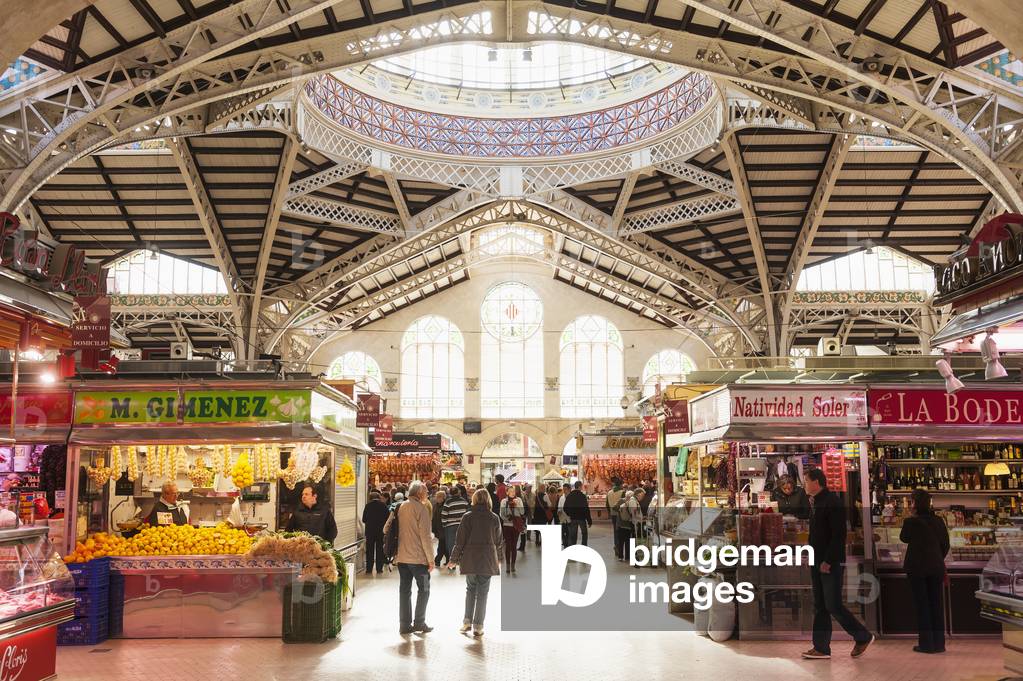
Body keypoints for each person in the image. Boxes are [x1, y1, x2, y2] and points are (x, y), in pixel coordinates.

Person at [802, 467, 873, 660]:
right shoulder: (816, 502)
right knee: (821, 605)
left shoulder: (832, 502)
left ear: (817, 482)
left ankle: (862, 636)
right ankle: (821, 648)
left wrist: (828, 560)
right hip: (817, 561)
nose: (804, 484)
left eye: (806, 480)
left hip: (829, 563)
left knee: (832, 604)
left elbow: (838, 536)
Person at [447, 489, 504, 637]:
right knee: (483, 593)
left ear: (474, 499)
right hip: (487, 559)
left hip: (470, 559)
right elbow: (498, 541)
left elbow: (460, 541)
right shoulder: (494, 518)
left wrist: (453, 559)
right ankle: (478, 626)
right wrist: (499, 559)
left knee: (470, 590)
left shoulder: (467, 517)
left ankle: (467, 622)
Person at [901, 489, 950, 654]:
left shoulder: (910, 522)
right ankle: (939, 643)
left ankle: (926, 644)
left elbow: (903, 538)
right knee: (936, 604)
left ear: (914, 504)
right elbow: (945, 544)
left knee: (922, 606)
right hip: (936, 567)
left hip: (916, 568)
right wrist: (937, 557)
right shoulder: (938, 521)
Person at [384, 480, 435, 635]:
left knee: (404, 591)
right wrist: (431, 559)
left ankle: (404, 625)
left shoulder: (399, 506)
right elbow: (425, 537)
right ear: (419, 493)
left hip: (402, 558)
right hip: (419, 559)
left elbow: (386, 528)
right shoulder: (422, 509)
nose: (427, 494)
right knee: (424, 589)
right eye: (426, 491)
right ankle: (419, 622)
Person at [362, 490, 390, 574]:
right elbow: (387, 519)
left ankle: (369, 569)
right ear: (379, 497)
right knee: (380, 549)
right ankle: (379, 568)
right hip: (380, 531)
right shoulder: (383, 505)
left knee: (369, 550)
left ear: (370, 498)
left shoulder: (367, 506)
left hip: (370, 531)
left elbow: (364, 519)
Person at [499, 485, 526, 573]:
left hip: (516, 526)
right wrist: (507, 518)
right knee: (508, 546)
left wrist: (517, 504)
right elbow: (501, 514)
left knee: (514, 545)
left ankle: (513, 565)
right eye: (510, 491)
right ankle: (507, 565)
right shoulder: (504, 501)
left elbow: (522, 512)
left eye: (513, 491)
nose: (512, 493)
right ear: (507, 492)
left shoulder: (519, 500)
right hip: (507, 525)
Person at [441, 485, 470, 566]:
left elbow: (444, 515)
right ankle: (463, 562)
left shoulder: (448, 502)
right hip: (462, 525)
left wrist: (444, 525)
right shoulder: (464, 501)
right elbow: (468, 513)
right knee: (463, 543)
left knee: (451, 545)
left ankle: (452, 563)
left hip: (450, 526)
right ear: (459, 492)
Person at [564, 481, 592, 546]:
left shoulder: (570, 495)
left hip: (573, 518)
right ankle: (584, 546)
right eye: (581, 486)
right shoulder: (583, 496)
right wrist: (589, 521)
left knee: (573, 535)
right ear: (579, 486)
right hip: (582, 518)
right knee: (584, 533)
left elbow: (565, 507)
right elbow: (586, 509)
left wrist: (569, 514)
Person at [606, 478, 625, 558]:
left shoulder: (609, 492)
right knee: (621, 531)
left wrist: (609, 513)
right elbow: (624, 503)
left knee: (615, 530)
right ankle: (619, 548)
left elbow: (607, 504)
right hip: (621, 514)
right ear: (620, 484)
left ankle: (616, 545)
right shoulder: (622, 492)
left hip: (613, 514)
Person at [519, 483, 537, 550]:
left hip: (530, 510)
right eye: (529, 487)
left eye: (531, 487)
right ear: (526, 488)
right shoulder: (523, 494)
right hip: (524, 511)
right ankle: (523, 535)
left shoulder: (533, 495)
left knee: (529, 523)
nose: (530, 489)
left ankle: (528, 536)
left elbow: (533, 503)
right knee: (523, 524)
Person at [432, 489, 447, 566]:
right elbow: (434, 517)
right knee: (443, 544)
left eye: (438, 497)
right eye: (436, 497)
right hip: (438, 528)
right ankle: (447, 559)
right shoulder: (436, 505)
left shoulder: (445, 505)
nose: (436, 498)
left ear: (443, 497)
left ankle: (437, 560)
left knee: (442, 545)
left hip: (443, 528)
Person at [558, 482, 571, 547]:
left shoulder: (572, 497)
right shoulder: (561, 498)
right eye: (564, 489)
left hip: (569, 518)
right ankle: (565, 543)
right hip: (563, 519)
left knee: (569, 532)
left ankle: (569, 544)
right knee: (563, 532)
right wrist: (559, 512)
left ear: (569, 489)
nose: (564, 491)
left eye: (566, 489)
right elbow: (559, 507)